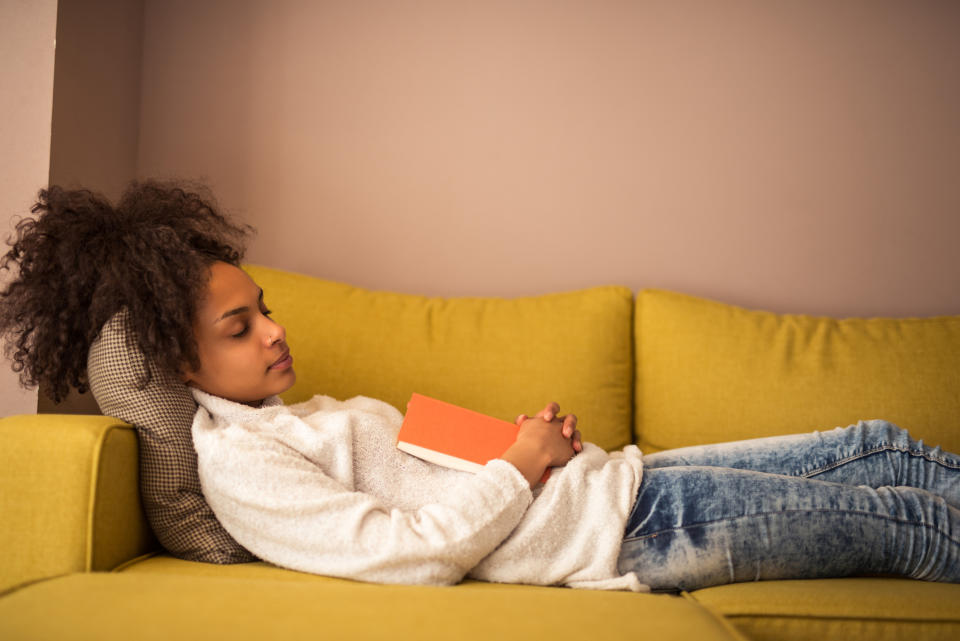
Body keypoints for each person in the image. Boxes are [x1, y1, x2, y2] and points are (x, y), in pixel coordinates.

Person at [2, 181, 958, 592]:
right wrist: (519, 464)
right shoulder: (242, 468)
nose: (276, 330)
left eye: (266, 307)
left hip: (620, 480)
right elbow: (404, 552)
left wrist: (518, 444)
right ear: (176, 362)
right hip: (637, 528)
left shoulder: (286, 418)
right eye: (240, 326)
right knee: (905, 527)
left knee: (877, 440)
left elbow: (424, 474)